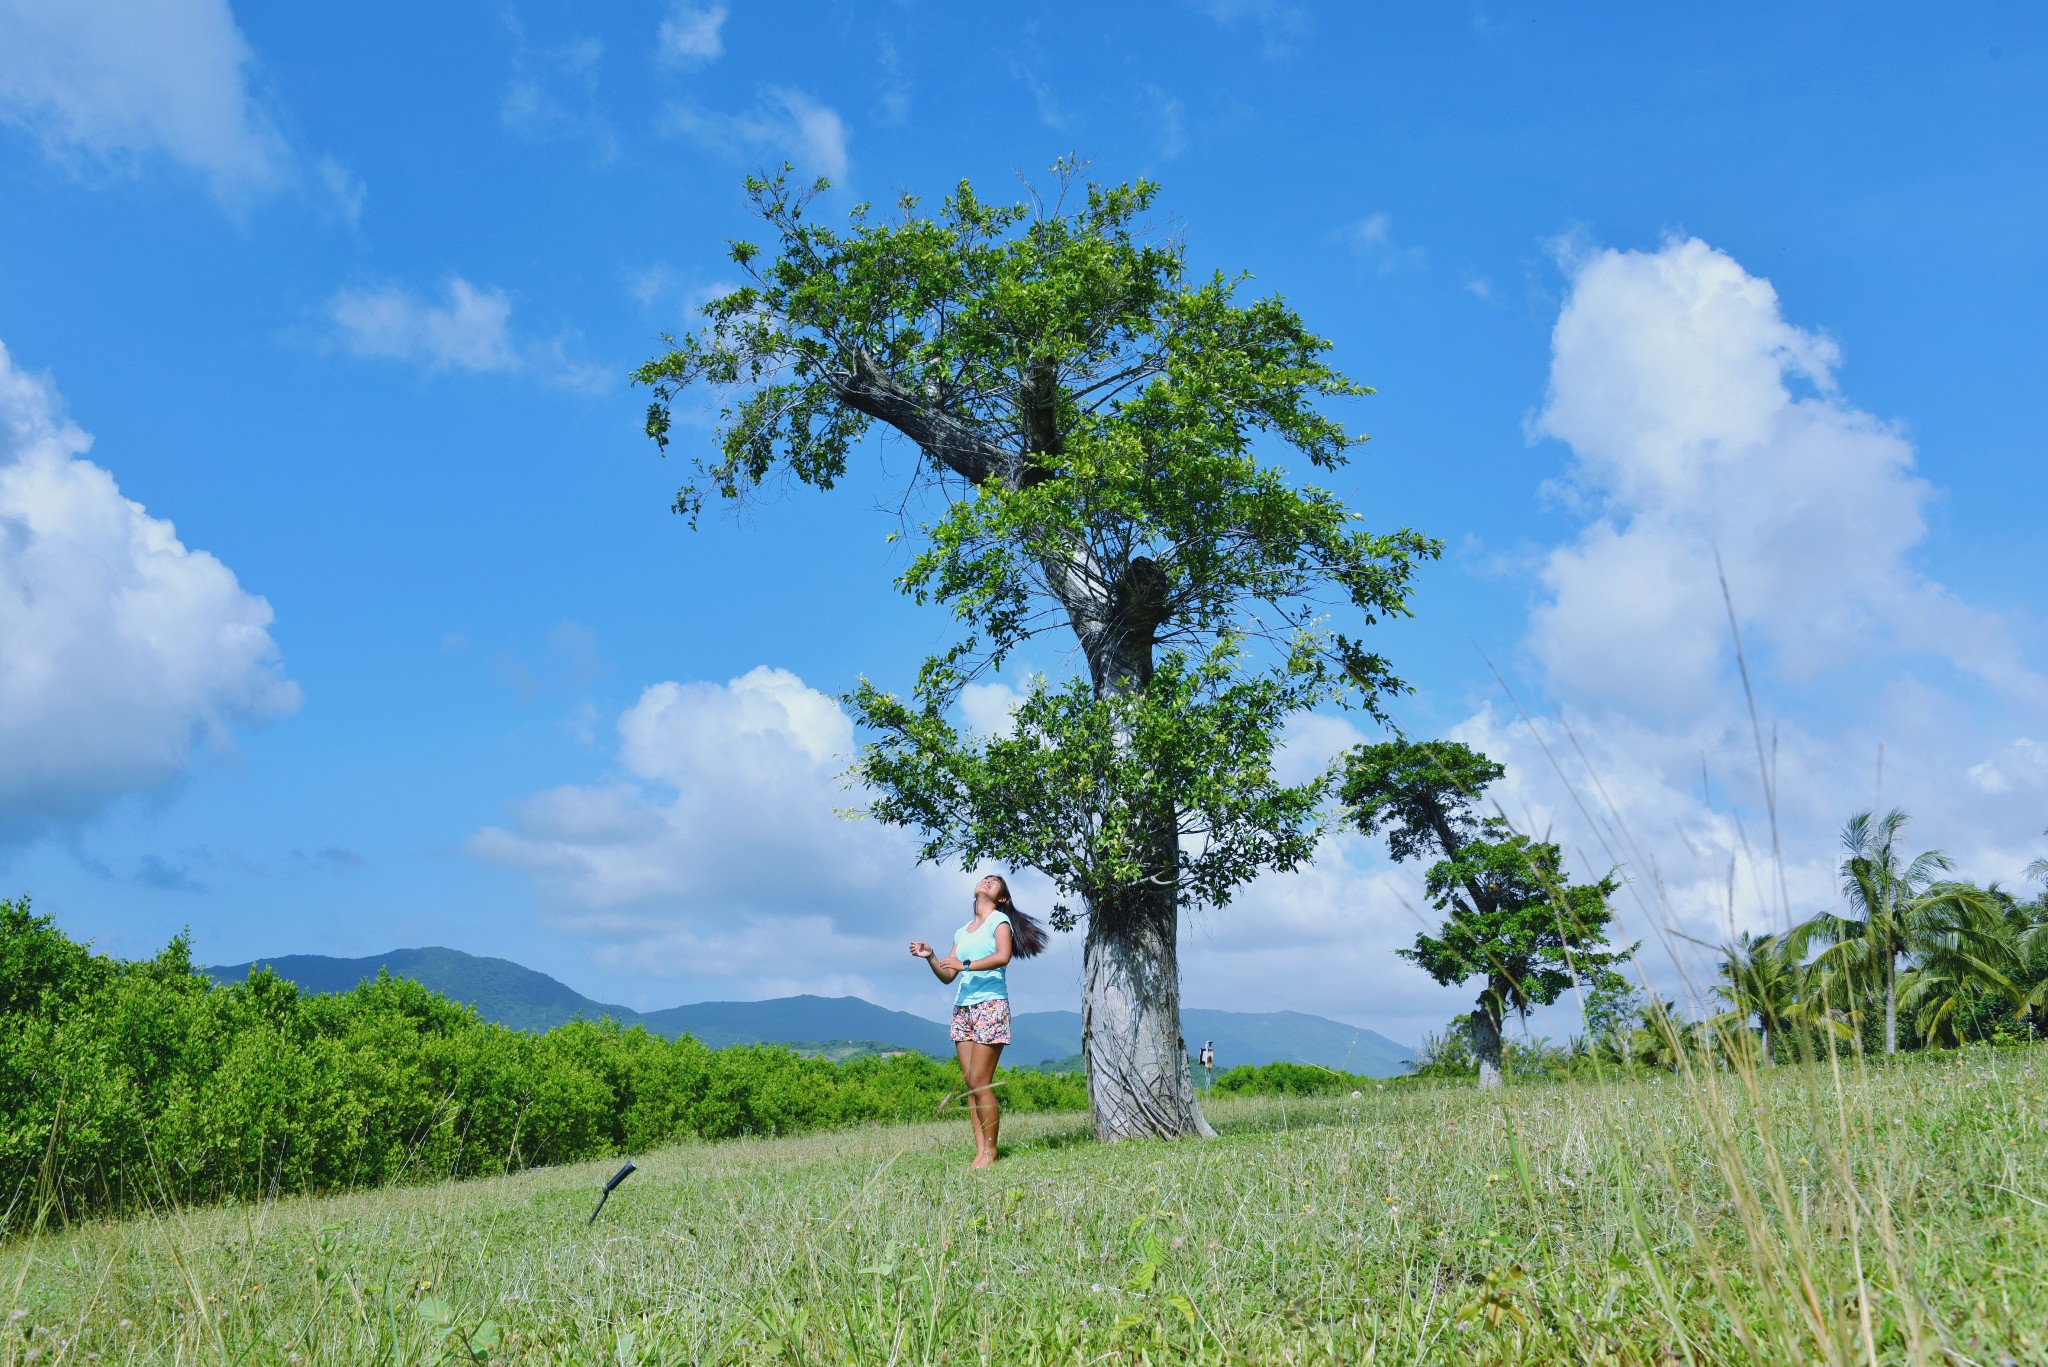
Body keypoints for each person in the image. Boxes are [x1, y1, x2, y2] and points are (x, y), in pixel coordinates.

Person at [909, 873, 1048, 1168]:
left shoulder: (999, 921)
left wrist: (966, 965)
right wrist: (932, 956)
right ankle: (980, 1153)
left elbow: (1003, 956)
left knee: (980, 1081)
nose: (986, 881)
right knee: (970, 1085)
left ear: (1002, 898)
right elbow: (948, 975)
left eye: (994, 882)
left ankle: (991, 1151)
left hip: (990, 1005)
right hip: (964, 1008)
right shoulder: (962, 932)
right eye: (985, 878)